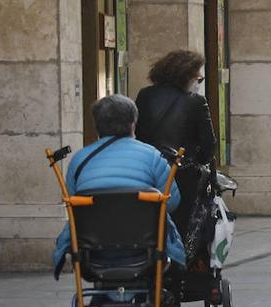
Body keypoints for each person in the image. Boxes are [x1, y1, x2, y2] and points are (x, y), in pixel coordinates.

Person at [53, 94, 186, 276]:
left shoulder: (79, 160)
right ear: (133, 123)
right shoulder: (152, 156)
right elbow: (171, 202)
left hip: (93, 251)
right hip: (144, 249)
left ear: (97, 125)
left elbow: (73, 205)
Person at [136, 50, 216, 307]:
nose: (200, 81)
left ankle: (145, 295)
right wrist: (200, 163)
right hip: (181, 179)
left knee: (148, 235)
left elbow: (139, 135)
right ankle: (174, 304)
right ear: (186, 76)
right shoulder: (196, 102)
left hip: (147, 175)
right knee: (177, 240)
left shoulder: (144, 97)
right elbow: (209, 147)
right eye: (198, 76)